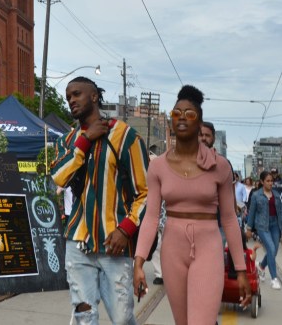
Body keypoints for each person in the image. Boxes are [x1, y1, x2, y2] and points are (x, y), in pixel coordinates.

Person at [133, 85, 250, 325]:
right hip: (172, 250)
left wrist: (240, 270)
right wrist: (139, 261)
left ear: (199, 123)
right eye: (177, 113)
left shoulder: (220, 166)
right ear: (171, 121)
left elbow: (229, 218)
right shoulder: (158, 167)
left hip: (208, 248)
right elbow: (151, 217)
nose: (182, 118)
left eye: (190, 114)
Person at [51, 76, 148, 325]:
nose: (71, 100)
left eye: (77, 94)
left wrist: (126, 230)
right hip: (77, 241)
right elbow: (59, 178)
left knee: (122, 318)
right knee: (83, 314)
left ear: (94, 96)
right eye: (68, 97)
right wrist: (85, 140)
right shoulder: (68, 141)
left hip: (114, 243)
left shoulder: (126, 137)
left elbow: (146, 192)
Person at [246, 170, 282, 290]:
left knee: (274, 250)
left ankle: (261, 267)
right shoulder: (256, 195)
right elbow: (251, 213)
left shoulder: (276, 195)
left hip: (275, 225)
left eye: (272, 181)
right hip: (262, 226)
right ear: (262, 182)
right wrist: (249, 228)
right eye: (268, 181)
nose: (270, 183)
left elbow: (280, 213)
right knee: (271, 248)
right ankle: (274, 279)